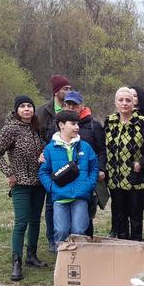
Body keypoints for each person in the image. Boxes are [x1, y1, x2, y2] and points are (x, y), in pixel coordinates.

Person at [0, 95, 47, 281]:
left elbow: (45, 148)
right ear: (17, 110)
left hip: (39, 183)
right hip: (20, 183)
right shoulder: (10, 129)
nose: (27, 109)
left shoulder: (37, 128)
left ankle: (32, 255)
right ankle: (16, 261)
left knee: (36, 221)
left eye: (30, 106)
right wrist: (9, 172)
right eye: (23, 106)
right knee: (21, 222)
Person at [38, 110, 99, 246]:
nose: (77, 127)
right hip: (60, 197)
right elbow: (43, 172)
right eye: (73, 124)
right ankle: (63, 262)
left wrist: (88, 185)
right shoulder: (50, 149)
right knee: (60, 231)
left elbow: (94, 167)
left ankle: (79, 261)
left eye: (78, 124)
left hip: (80, 197)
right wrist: (52, 188)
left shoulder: (85, 147)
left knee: (78, 231)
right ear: (61, 125)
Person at [104, 87, 144, 240]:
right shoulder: (109, 122)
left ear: (133, 103)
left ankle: (137, 243)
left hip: (135, 177)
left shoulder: (143, 123)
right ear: (115, 103)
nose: (124, 103)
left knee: (136, 214)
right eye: (121, 100)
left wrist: (142, 163)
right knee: (119, 215)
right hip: (115, 178)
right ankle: (123, 245)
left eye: (128, 100)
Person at [61, 90, 106, 236]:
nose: (71, 107)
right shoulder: (59, 125)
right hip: (64, 177)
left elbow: (101, 151)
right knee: (63, 215)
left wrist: (100, 168)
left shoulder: (94, 126)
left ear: (82, 106)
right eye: (68, 104)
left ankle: (87, 248)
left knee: (85, 216)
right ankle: (65, 250)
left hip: (86, 178)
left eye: (75, 104)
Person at [36, 74, 72, 252]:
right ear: (56, 91)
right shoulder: (43, 112)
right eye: (66, 88)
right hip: (51, 161)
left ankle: (69, 235)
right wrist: (46, 152)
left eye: (70, 88)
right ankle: (52, 238)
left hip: (70, 160)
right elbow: (38, 136)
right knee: (51, 202)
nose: (68, 91)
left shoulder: (71, 107)